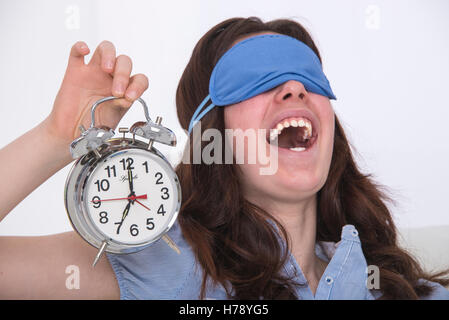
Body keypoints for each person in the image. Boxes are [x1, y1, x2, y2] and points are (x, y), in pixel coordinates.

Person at [0, 16, 448, 300]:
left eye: (306, 74)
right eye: (256, 77)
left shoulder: (404, 290)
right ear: (214, 133)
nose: (293, 88)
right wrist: (57, 138)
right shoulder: (155, 267)